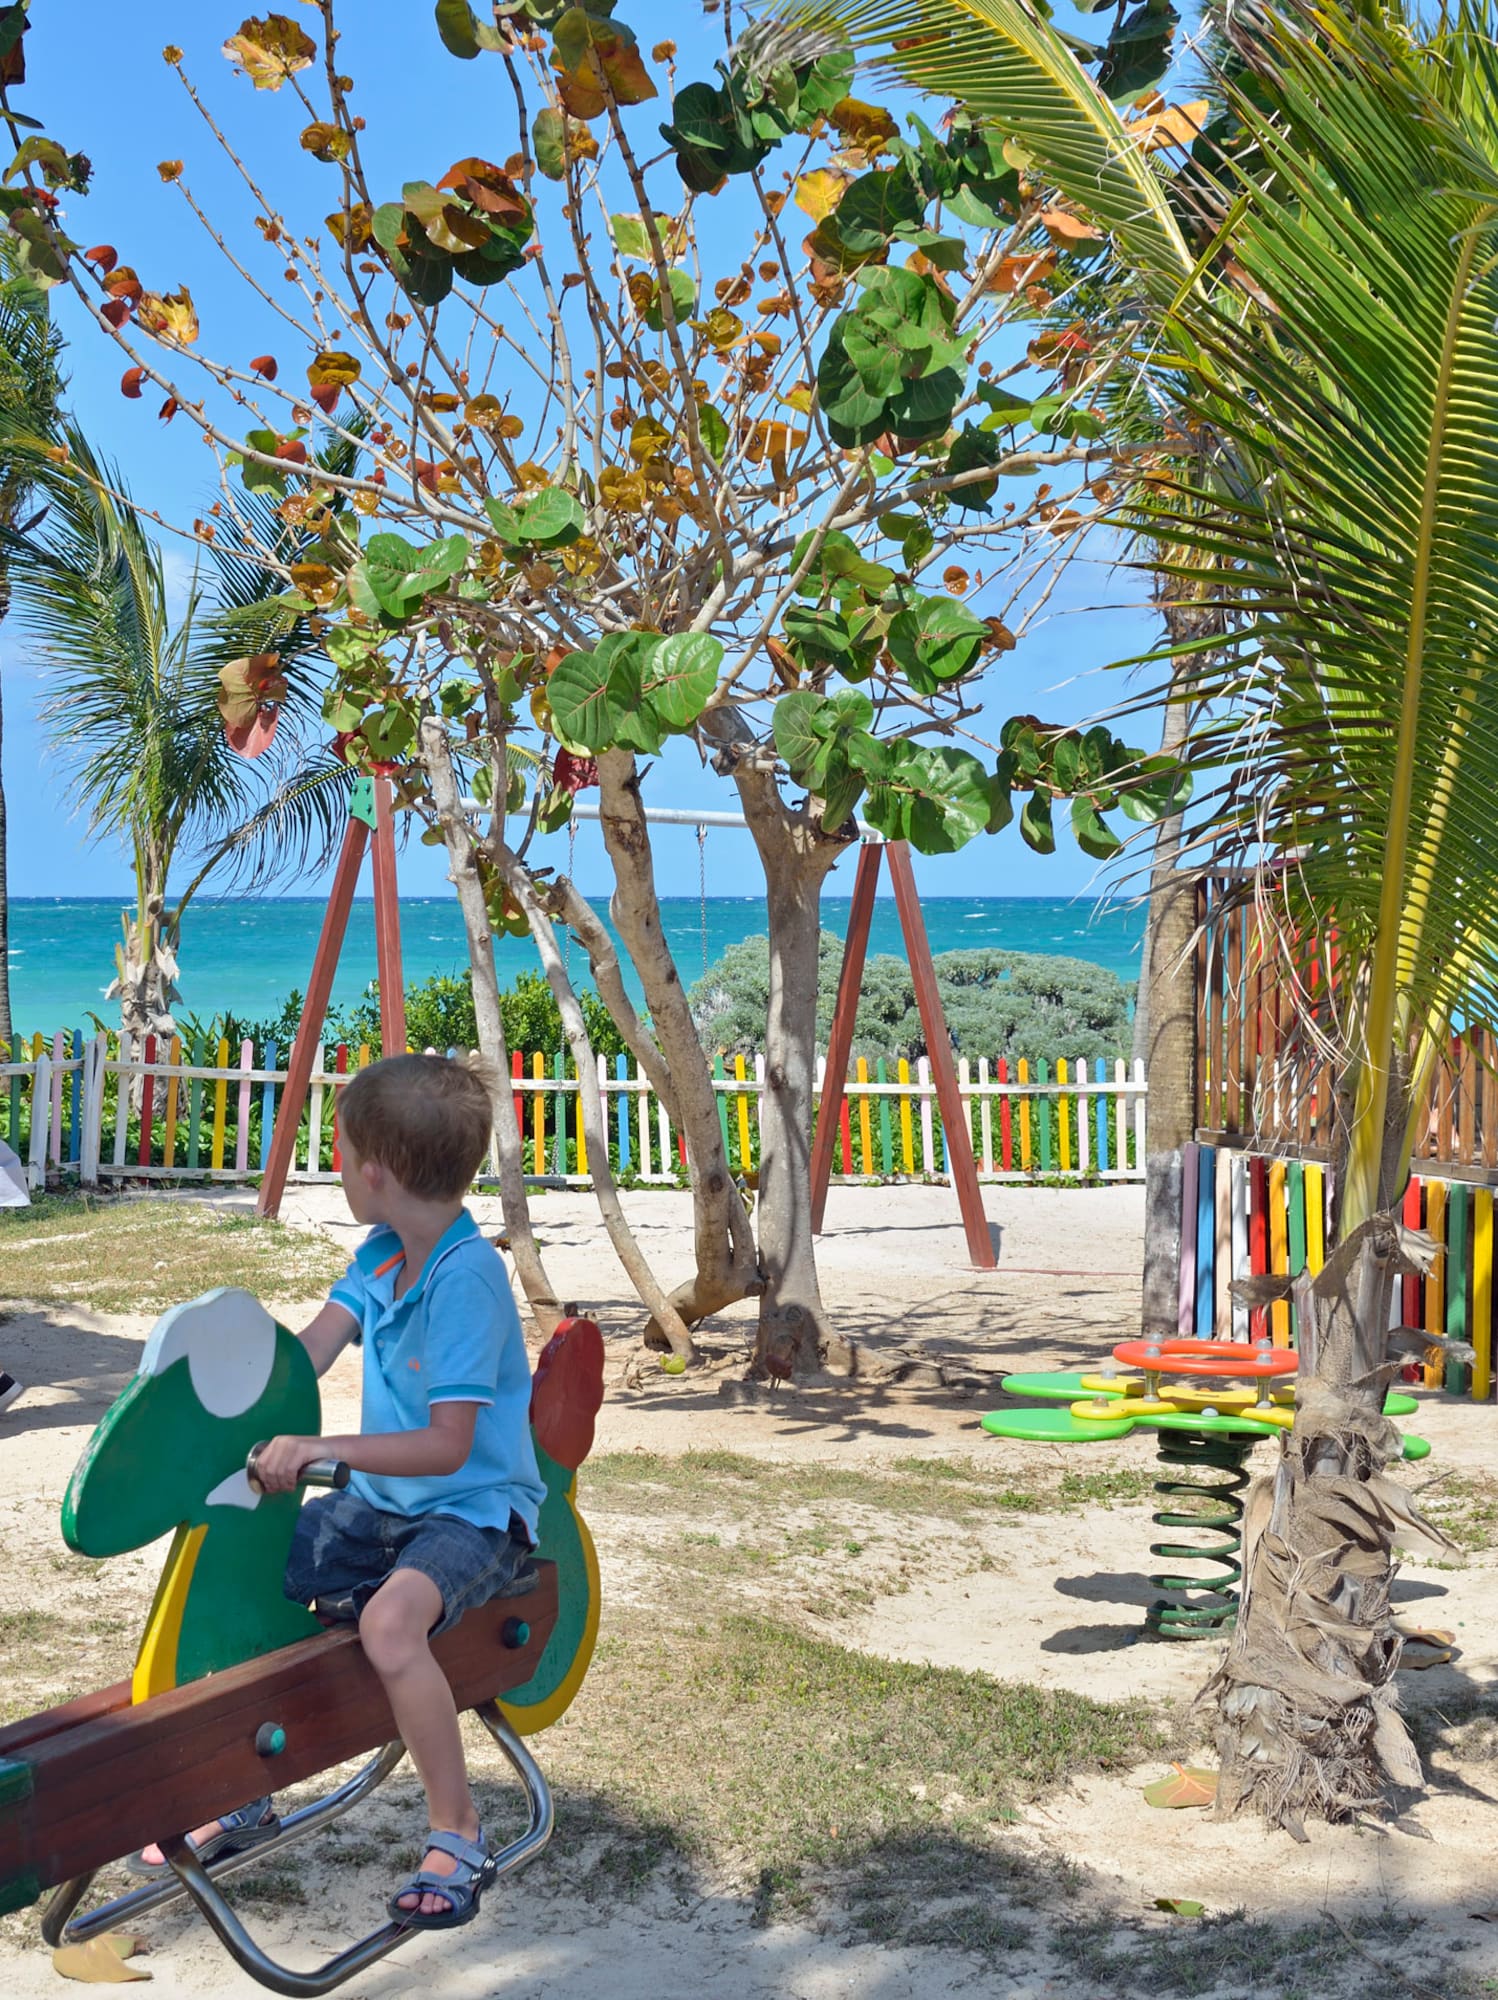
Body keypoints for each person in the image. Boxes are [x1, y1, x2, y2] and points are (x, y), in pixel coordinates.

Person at [130, 1053, 545, 1930]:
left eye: (341, 1145)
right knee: (252, 1568)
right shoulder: (382, 1251)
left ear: (374, 1171)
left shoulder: (466, 1277)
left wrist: (320, 1448)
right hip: (385, 1507)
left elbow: (448, 1445)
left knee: (392, 1624)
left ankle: (457, 1830)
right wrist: (223, 1396)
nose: (338, 1159)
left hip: (471, 1513)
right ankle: (246, 1785)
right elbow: (307, 1356)